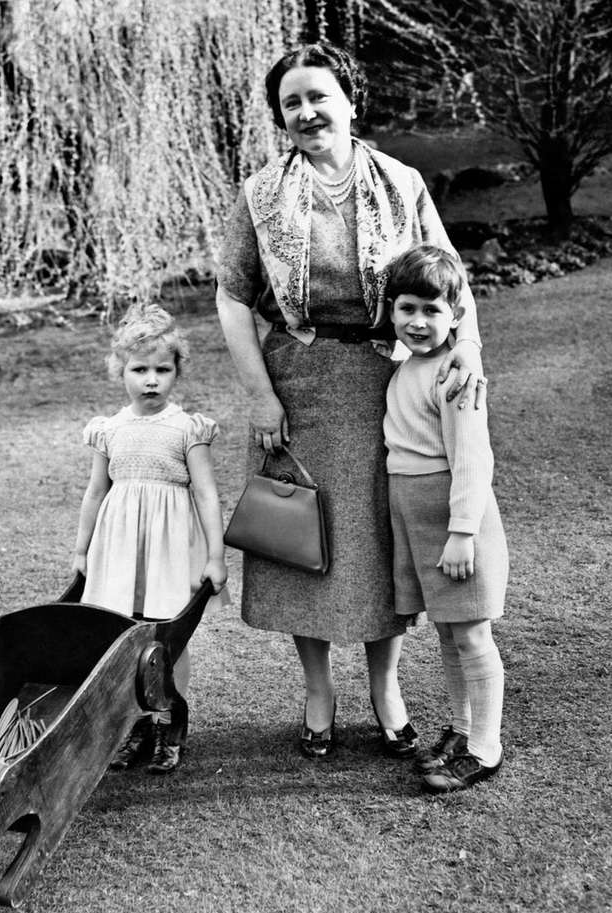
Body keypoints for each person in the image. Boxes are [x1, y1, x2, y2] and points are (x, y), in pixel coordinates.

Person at [216, 41, 487, 758]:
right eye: (292, 103)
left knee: (374, 543)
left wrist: (467, 356)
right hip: (295, 389)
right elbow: (232, 296)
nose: (308, 112)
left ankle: (386, 687)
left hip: (383, 385)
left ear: (349, 100)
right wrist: (259, 395)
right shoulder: (261, 194)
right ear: (282, 117)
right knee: (301, 538)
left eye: (318, 96)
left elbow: (449, 280)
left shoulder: (400, 181)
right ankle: (316, 690)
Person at [73, 304, 229, 774]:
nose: (151, 380)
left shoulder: (187, 429)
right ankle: (134, 722)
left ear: (177, 371)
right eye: (139, 369)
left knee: (168, 638)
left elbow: (205, 494)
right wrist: (83, 550)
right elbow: (96, 492)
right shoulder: (109, 430)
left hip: (170, 549)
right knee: (125, 637)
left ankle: (168, 721)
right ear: (120, 370)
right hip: (121, 549)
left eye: (163, 369)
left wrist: (216, 556)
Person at [383, 245, 508, 791]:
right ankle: (462, 729)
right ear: (391, 311)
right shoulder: (407, 368)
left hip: (455, 521)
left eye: (433, 311)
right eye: (408, 308)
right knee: (450, 635)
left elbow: (473, 461)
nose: (418, 321)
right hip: (415, 515)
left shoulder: (457, 376)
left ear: (456, 316)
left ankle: (486, 748)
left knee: (473, 635)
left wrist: (462, 534)